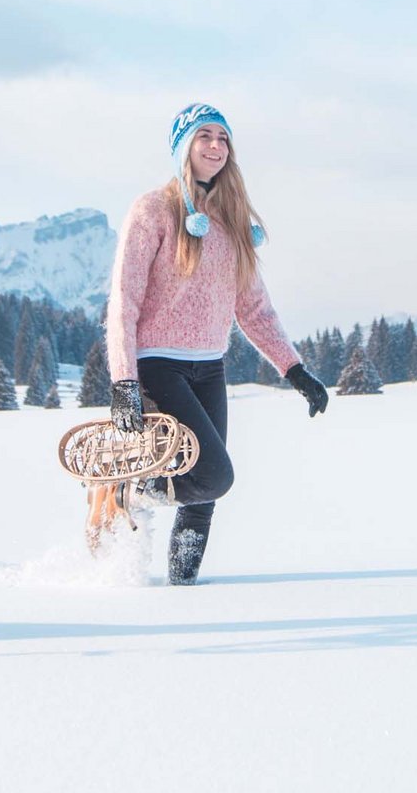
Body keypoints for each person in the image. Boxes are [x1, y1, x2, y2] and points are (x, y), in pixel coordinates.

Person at [104, 102, 328, 585]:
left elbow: (254, 309)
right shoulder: (153, 210)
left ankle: (184, 591)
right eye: (204, 136)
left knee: (203, 500)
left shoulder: (231, 223)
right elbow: (123, 300)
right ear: (184, 147)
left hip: (210, 367)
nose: (215, 146)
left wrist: (295, 370)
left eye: (223, 138)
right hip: (158, 365)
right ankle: (136, 492)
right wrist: (124, 380)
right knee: (214, 477)